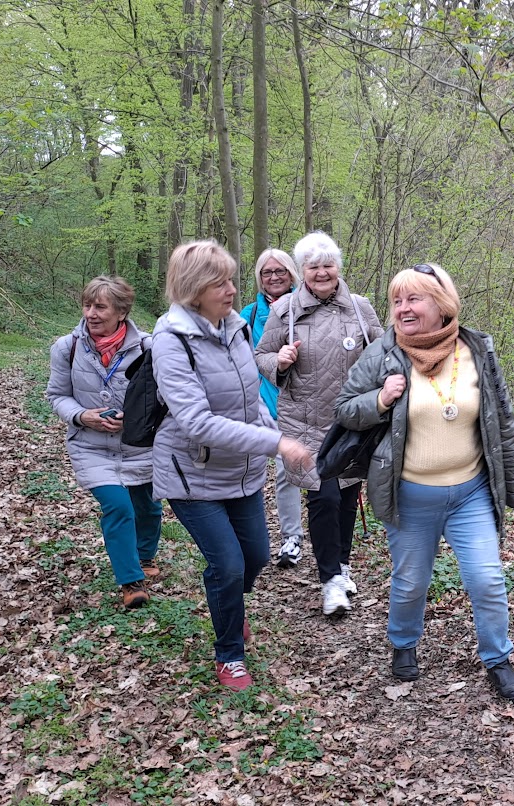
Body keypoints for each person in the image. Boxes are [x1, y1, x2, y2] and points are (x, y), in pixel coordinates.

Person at [335, 262, 514, 701]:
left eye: (414, 299)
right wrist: (380, 399)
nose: (403, 308)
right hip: (409, 495)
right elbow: (345, 409)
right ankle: (404, 643)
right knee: (410, 582)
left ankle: (498, 659)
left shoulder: (477, 350)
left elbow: (503, 421)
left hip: (471, 492)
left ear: (442, 305)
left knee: (487, 579)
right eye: (397, 300)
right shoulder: (383, 354)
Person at [150, 239, 314, 691]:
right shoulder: (171, 341)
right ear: (193, 289)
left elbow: (250, 397)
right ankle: (229, 653)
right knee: (228, 565)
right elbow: (197, 423)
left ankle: (229, 604)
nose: (231, 289)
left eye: (230, 279)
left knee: (255, 557)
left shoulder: (236, 327)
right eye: (218, 282)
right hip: (191, 473)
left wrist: (274, 428)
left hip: (240, 471)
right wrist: (275, 443)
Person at [255, 231, 382, 617]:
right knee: (324, 498)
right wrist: (279, 361)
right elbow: (261, 355)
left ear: (338, 267)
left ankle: (341, 566)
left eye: (328, 265)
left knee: (346, 498)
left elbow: (384, 351)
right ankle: (330, 582)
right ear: (303, 271)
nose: (322, 272)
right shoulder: (285, 310)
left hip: (352, 422)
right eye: (313, 267)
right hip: (304, 423)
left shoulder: (360, 308)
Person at [46, 276, 165, 611]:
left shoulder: (149, 347)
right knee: (118, 506)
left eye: (100, 307)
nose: (91, 314)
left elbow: (163, 397)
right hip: (91, 446)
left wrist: (134, 418)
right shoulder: (66, 348)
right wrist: (82, 416)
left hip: (140, 445)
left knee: (148, 507)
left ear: (122, 312)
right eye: (87, 305)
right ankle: (131, 582)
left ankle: (144, 555)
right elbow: (57, 395)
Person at [240, 248, 308, 568]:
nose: (274, 277)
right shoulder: (249, 314)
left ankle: (298, 537)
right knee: (256, 471)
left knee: (293, 471)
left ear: (291, 274)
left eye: (280, 271)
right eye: (267, 272)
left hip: (301, 402)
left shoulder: (306, 307)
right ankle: (275, 537)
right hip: (259, 404)